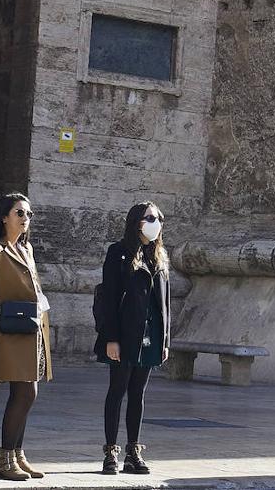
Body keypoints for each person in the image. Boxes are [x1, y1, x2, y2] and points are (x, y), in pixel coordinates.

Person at [94, 201, 171, 475]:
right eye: (151, 217)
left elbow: (165, 303)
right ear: (137, 221)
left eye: (159, 218)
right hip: (124, 334)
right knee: (118, 389)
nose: (156, 222)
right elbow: (110, 298)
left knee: (138, 393)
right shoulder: (118, 253)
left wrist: (165, 340)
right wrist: (111, 338)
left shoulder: (159, 256)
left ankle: (133, 451)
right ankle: (110, 451)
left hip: (150, 335)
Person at [0, 193, 53, 481]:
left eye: (28, 214)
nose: (26, 219)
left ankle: (17, 455)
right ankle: (4, 459)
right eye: (19, 213)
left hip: (31, 331)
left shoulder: (27, 249)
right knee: (24, 393)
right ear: (4, 217)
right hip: (8, 331)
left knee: (27, 393)